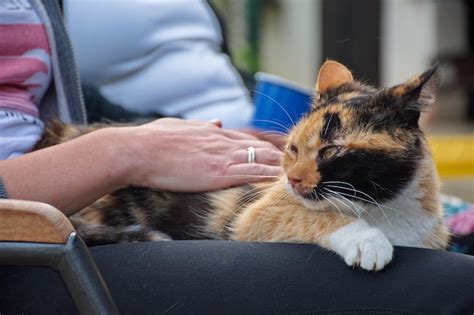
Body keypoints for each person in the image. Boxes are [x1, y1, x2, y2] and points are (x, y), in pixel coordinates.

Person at [1, 1, 474, 314]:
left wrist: (193, 134)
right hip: (36, 242)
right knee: (458, 288)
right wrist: (125, 149)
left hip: (94, 171)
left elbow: (54, 97)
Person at [64, 0, 254, 129]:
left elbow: (215, 61)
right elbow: (69, 96)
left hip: (247, 134)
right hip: (160, 151)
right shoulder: (46, 9)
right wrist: (193, 131)